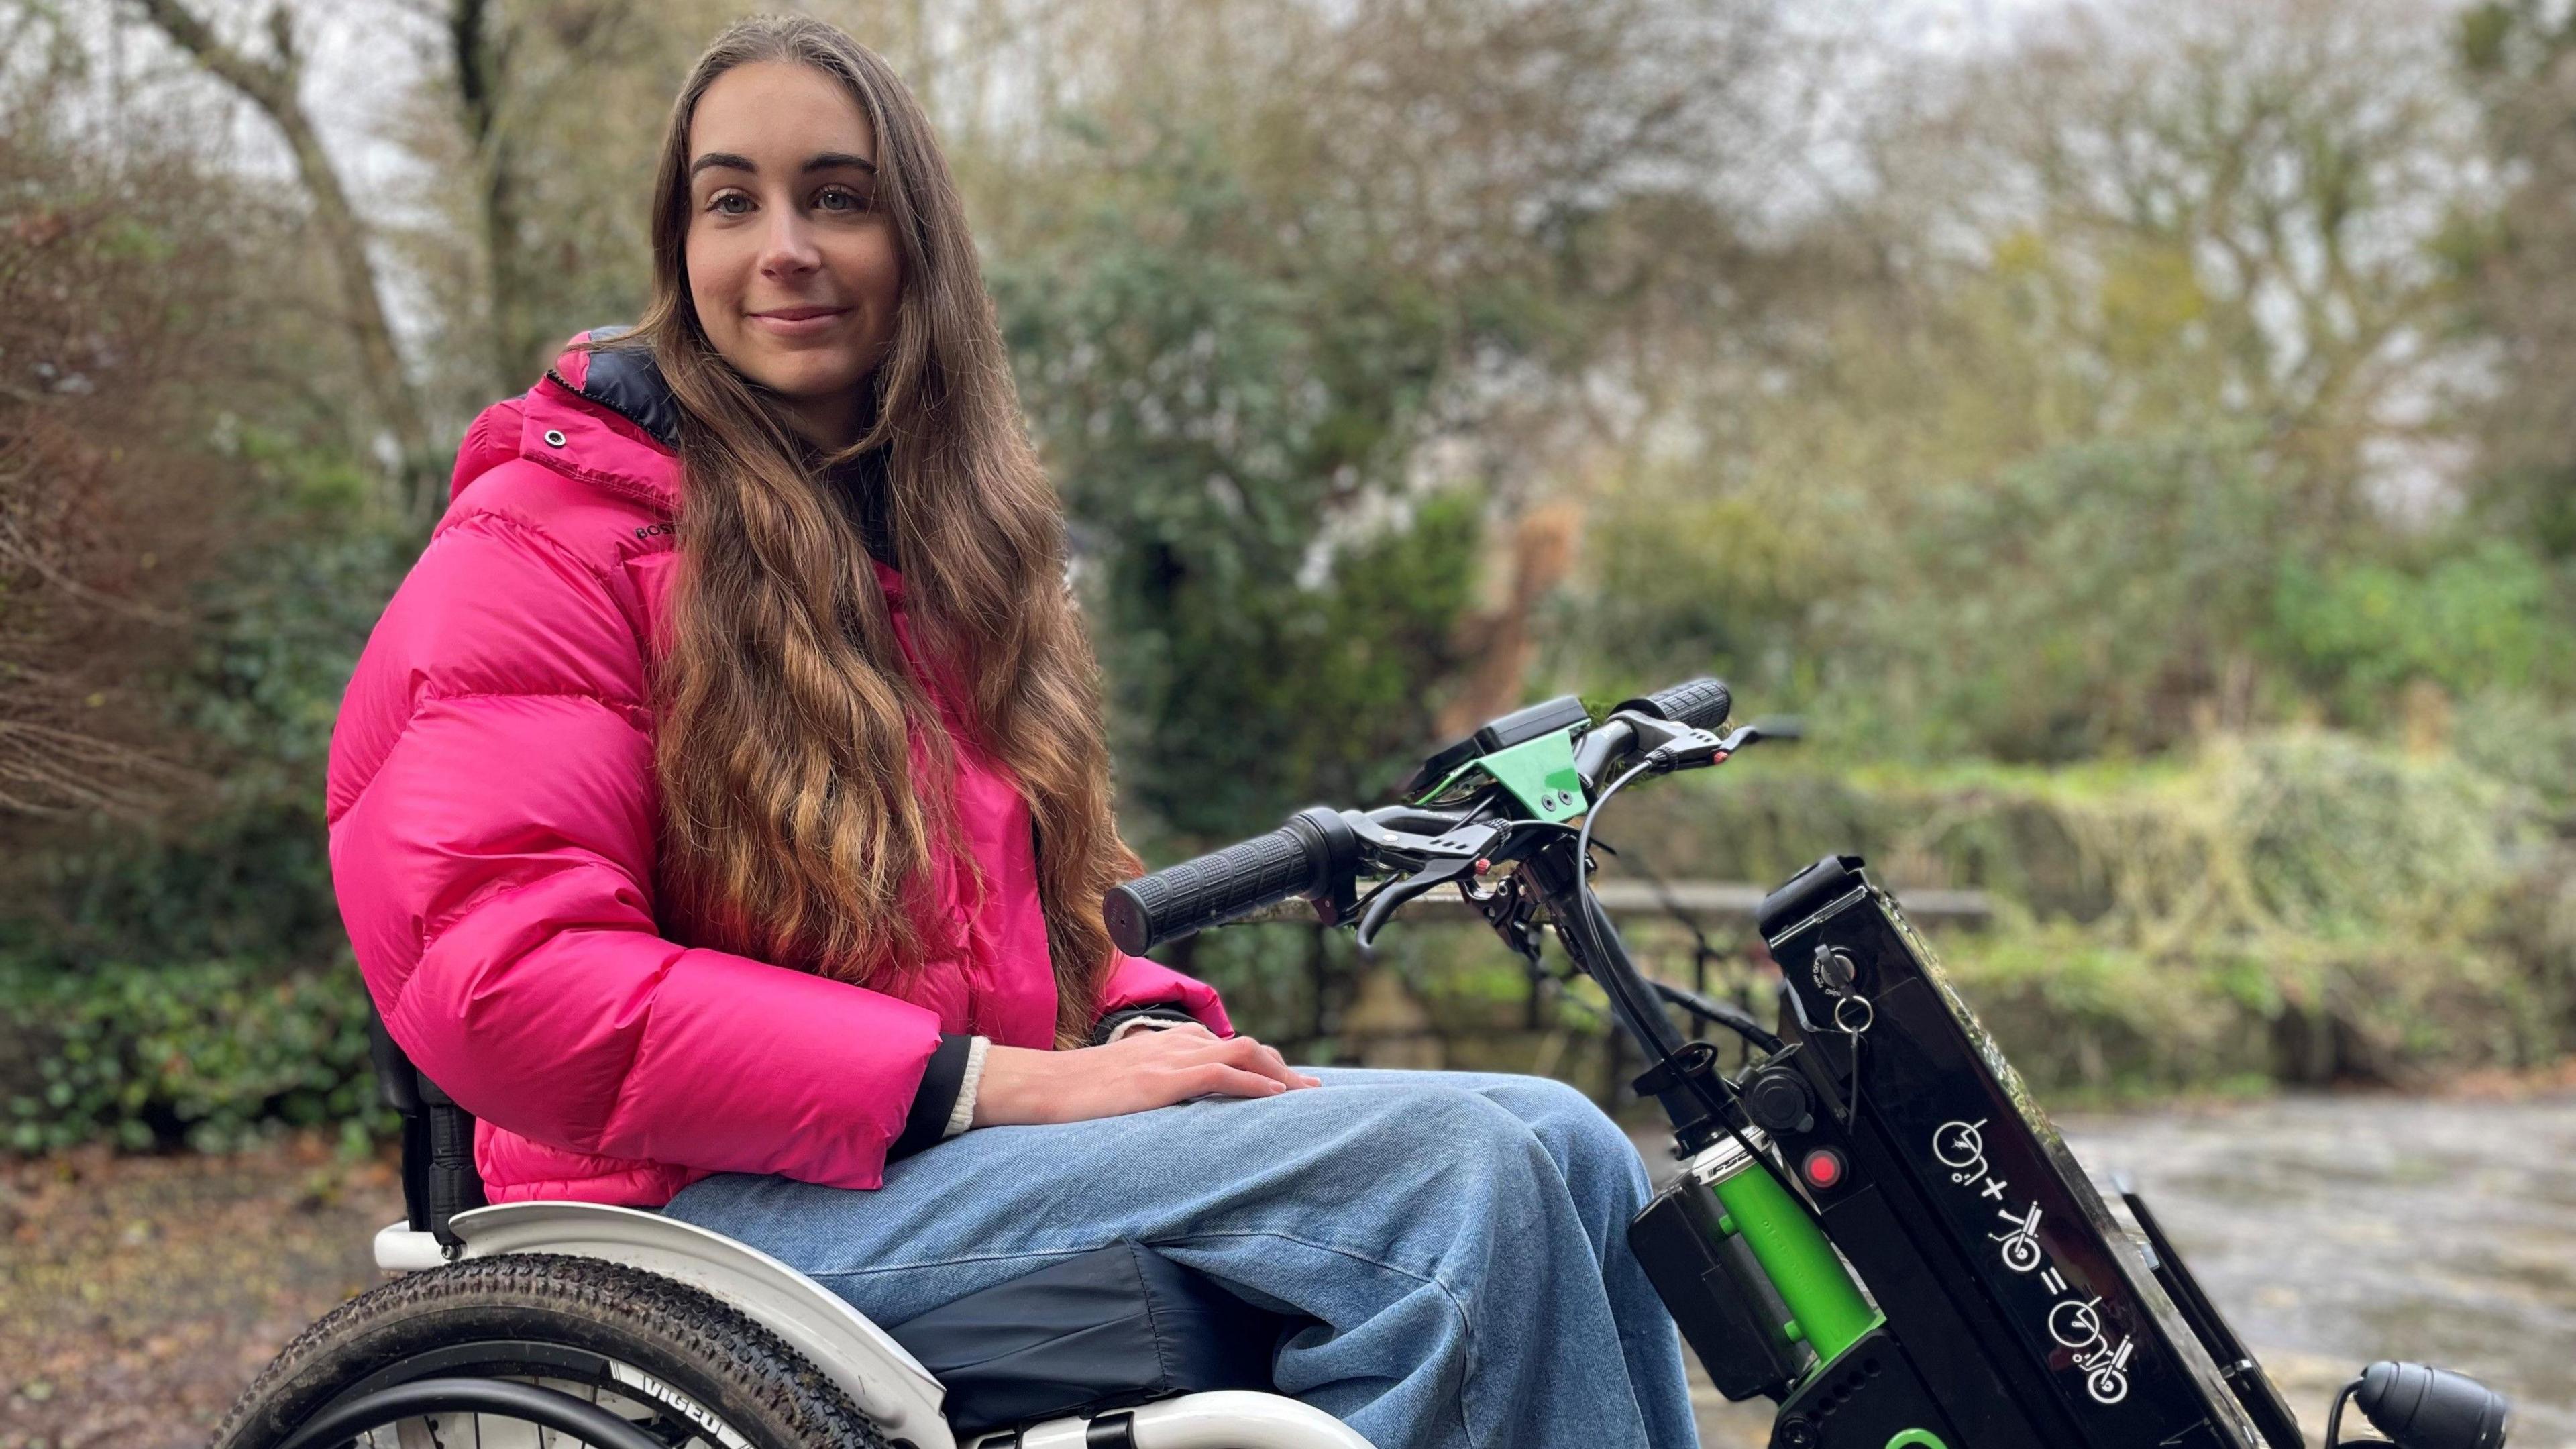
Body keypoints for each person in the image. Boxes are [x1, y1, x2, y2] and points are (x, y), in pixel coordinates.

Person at [325, 16, 1695, 1448]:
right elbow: (509, 982)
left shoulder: (935, 548)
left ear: (919, 242)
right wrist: (999, 1083)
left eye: (835, 197)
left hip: (914, 1160)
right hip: (688, 1218)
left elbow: (1012, 927)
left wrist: (1138, 1015)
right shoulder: (543, 545)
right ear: (680, 250)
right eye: (731, 202)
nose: (781, 246)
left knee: (1568, 1141)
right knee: (1455, 1180)